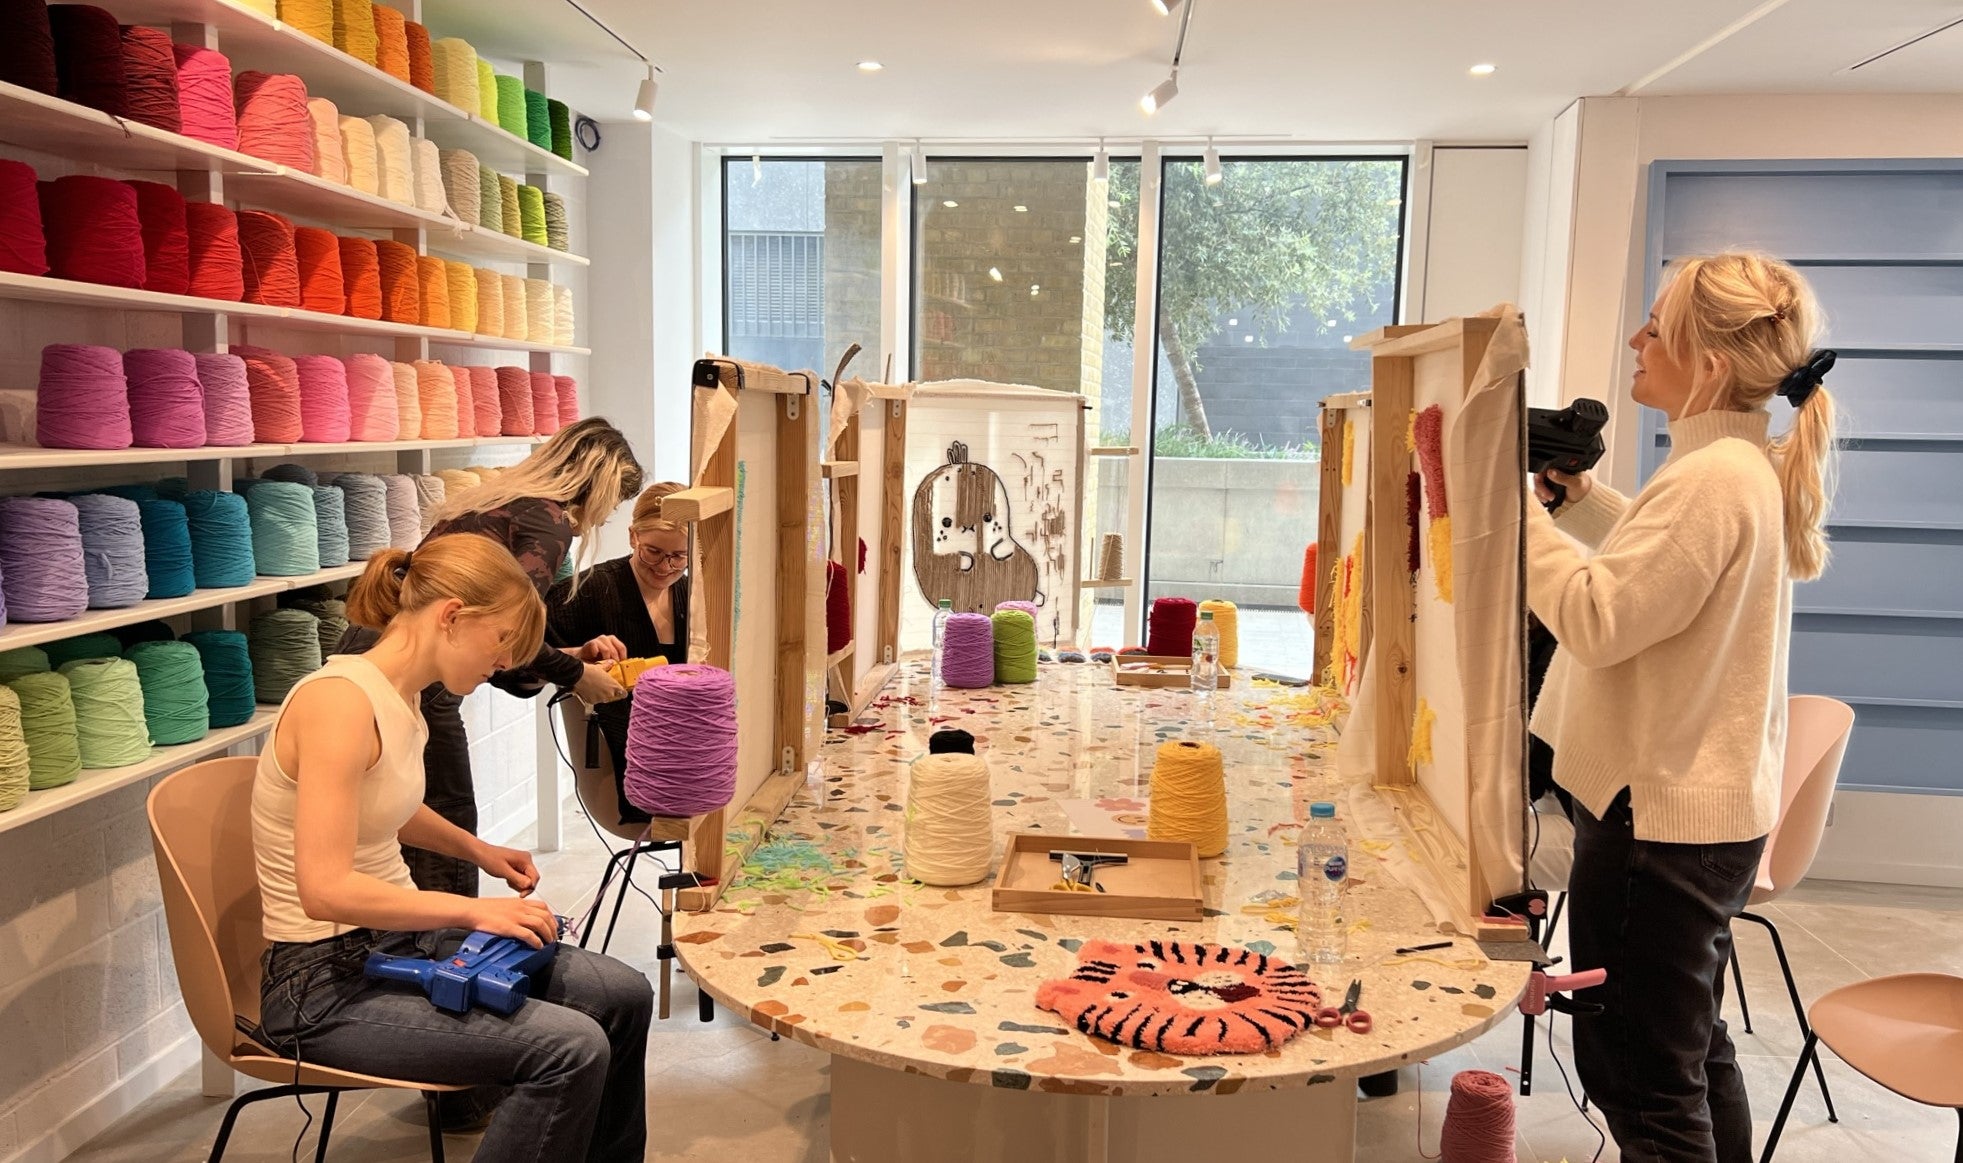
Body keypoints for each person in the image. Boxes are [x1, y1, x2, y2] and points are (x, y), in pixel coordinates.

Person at [1528, 251, 1837, 1163]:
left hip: (1654, 825)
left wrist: (1507, 522)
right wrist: (1578, 507)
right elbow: (1661, 564)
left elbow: (1598, 613)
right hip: (1702, 820)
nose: (1634, 339)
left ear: (1704, 361)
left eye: (1655, 326)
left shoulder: (1712, 481)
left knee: (1642, 1082)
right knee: (1690, 1055)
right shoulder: (1738, 468)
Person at [252, 534, 652, 1162]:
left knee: (624, 997)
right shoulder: (338, 703)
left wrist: (481, 851)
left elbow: (386, 804)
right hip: (321, 984)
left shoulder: (401, 697)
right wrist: (471, 910)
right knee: (568, 1049)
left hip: (394, 947)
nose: (504, 663)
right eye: (502, 642)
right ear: (451, 616)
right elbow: (323, 889)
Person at [342, 417, 645, 898]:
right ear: (598, 487)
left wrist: (569, 657)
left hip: (376, 646)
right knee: (448, 814)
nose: (602, 520)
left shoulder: (496, 502)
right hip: (416, 672)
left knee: (389, 809)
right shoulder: (548, 523)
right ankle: (449, 951)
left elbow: (498, 643)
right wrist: (577, 675)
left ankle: (416, 944)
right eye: (609, 508)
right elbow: (506, 636)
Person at [546, 482, 691, 823]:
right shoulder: (587, 592)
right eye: (653, 551)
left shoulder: (696, 594)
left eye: (679, 556)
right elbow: (521, 660)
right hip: (626, 767)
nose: (665, 566)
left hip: (688, 753)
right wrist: (577, 655)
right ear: (632, 537)